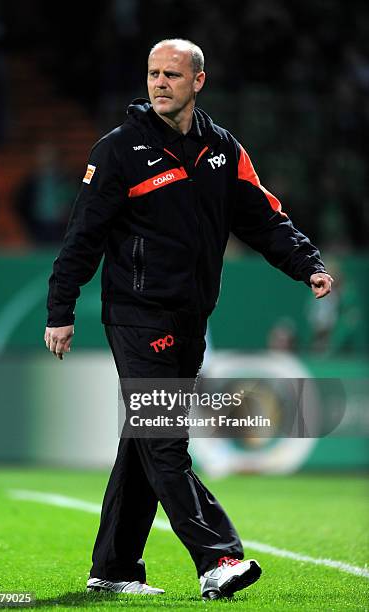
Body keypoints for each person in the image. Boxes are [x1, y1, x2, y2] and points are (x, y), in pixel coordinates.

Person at [44, 39, 333, 600]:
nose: (159, 83)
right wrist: (60, 310)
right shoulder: (118, 151)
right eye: (153, 73)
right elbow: (82, 238)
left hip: (191, 316)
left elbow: (263, 217)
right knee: (166, 436)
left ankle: (114, 569)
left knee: (144, 440)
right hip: (136, 315)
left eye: (172, 75)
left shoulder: (221, 150)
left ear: (198, 81)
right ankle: (217, 558)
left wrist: (307, 264)